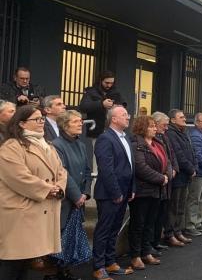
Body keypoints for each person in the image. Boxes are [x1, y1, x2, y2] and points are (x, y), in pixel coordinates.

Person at [0, 105, 67, 280]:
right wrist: (47, 189)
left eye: (42, 119)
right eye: (36, 119)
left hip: (40, 210)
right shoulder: (11, 146)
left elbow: (61, 171)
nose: (41, 122)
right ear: (22, 123)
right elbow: (17, 176)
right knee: (12, 262)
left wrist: (59, 187)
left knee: (25, 263)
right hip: (21, 213)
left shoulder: (47, 145)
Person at [92, 105, 136, 280]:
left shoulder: (125, 137)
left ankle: (110, 262)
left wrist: (132, 188)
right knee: (104, 230)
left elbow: (131, 167)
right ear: (114, 119)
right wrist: (116, 192)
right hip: (110, 194)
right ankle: (98, 266)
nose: (128, 117)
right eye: (124, 115)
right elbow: (106, 169)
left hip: (124, 192)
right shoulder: (105, 139)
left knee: (114, 230)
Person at [52, 110, 93, 280]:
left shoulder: (81, 145)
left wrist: (85, 193)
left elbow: (88, 171)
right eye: (76, 121)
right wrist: (77, 196)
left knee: (71, 238)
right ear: (65, 125)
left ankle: (66, 270)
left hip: (79, 199)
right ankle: (55, 272)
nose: (80, 124)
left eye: (80, 121)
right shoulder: (56, 145)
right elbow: (63, 173)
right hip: (65, 200)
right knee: (61, 236)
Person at [128, 115, 170, 270]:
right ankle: (135, 255)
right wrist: (161, 178)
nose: (154, 128)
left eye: (154, 126)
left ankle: (146, 251)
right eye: (151, 126)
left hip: (157, 189)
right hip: (143, 190)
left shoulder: (158, 143)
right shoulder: (136, 144)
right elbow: (141, 167)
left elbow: (167, 161)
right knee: (138, 224)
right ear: (142, 127)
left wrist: (167, 175)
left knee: (150, 223)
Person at [164, 109, 196, 245]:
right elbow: (179, 154)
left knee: (181, 206)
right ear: (172, 120)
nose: (184, 119)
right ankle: (170, 234)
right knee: (174, 207)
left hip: (186, 175)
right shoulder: (171, 133)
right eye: (181, 117)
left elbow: (191, 151)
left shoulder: (183, 132)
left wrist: (194, 167)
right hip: (179, 176)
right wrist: (190, 169)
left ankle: (178, 231)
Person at [151, 112, 179, 250]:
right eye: (164, 125)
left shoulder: (165, 137)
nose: (166, 128)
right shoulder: (152, 139)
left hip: (167, 181)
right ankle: (151, 244)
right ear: (155, 123)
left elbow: (171, 154)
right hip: (158, 182)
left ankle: (156, 242)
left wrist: (174, 168)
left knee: (162, 213)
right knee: (154, 215)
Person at [79, 71, 125, 138]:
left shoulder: (115, 92)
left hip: (114, 130)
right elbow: (83, 107)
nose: (109, 85)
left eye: (111, 83)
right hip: (97, 131)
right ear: (100, 81)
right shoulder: (91, 92)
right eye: (107, 83)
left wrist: (119, 106)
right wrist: (101, 104)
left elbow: (123, 103)